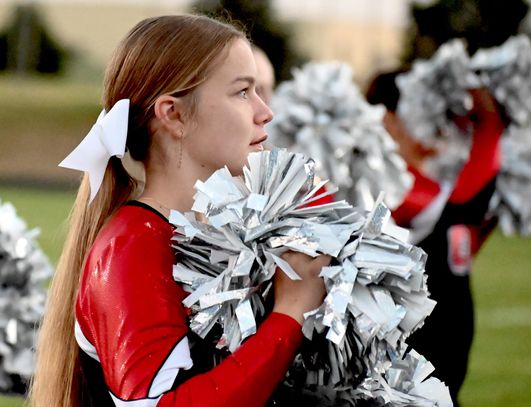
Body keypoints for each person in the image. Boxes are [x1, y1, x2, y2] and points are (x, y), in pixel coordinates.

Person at [29, 15, 330, 407]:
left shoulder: (227, 235)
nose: (264, 112)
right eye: (243, 92)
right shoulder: (131, 246)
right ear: (173, 114)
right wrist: (291, 313)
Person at [366, 71, 505, 406]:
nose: (438, 119)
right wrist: (490, 120)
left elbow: (459, 239)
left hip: (448, 365)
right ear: (389, 120)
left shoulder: (436, 182)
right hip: (409, 370)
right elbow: (461, 201)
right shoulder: (383, 187)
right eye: (423, 108)